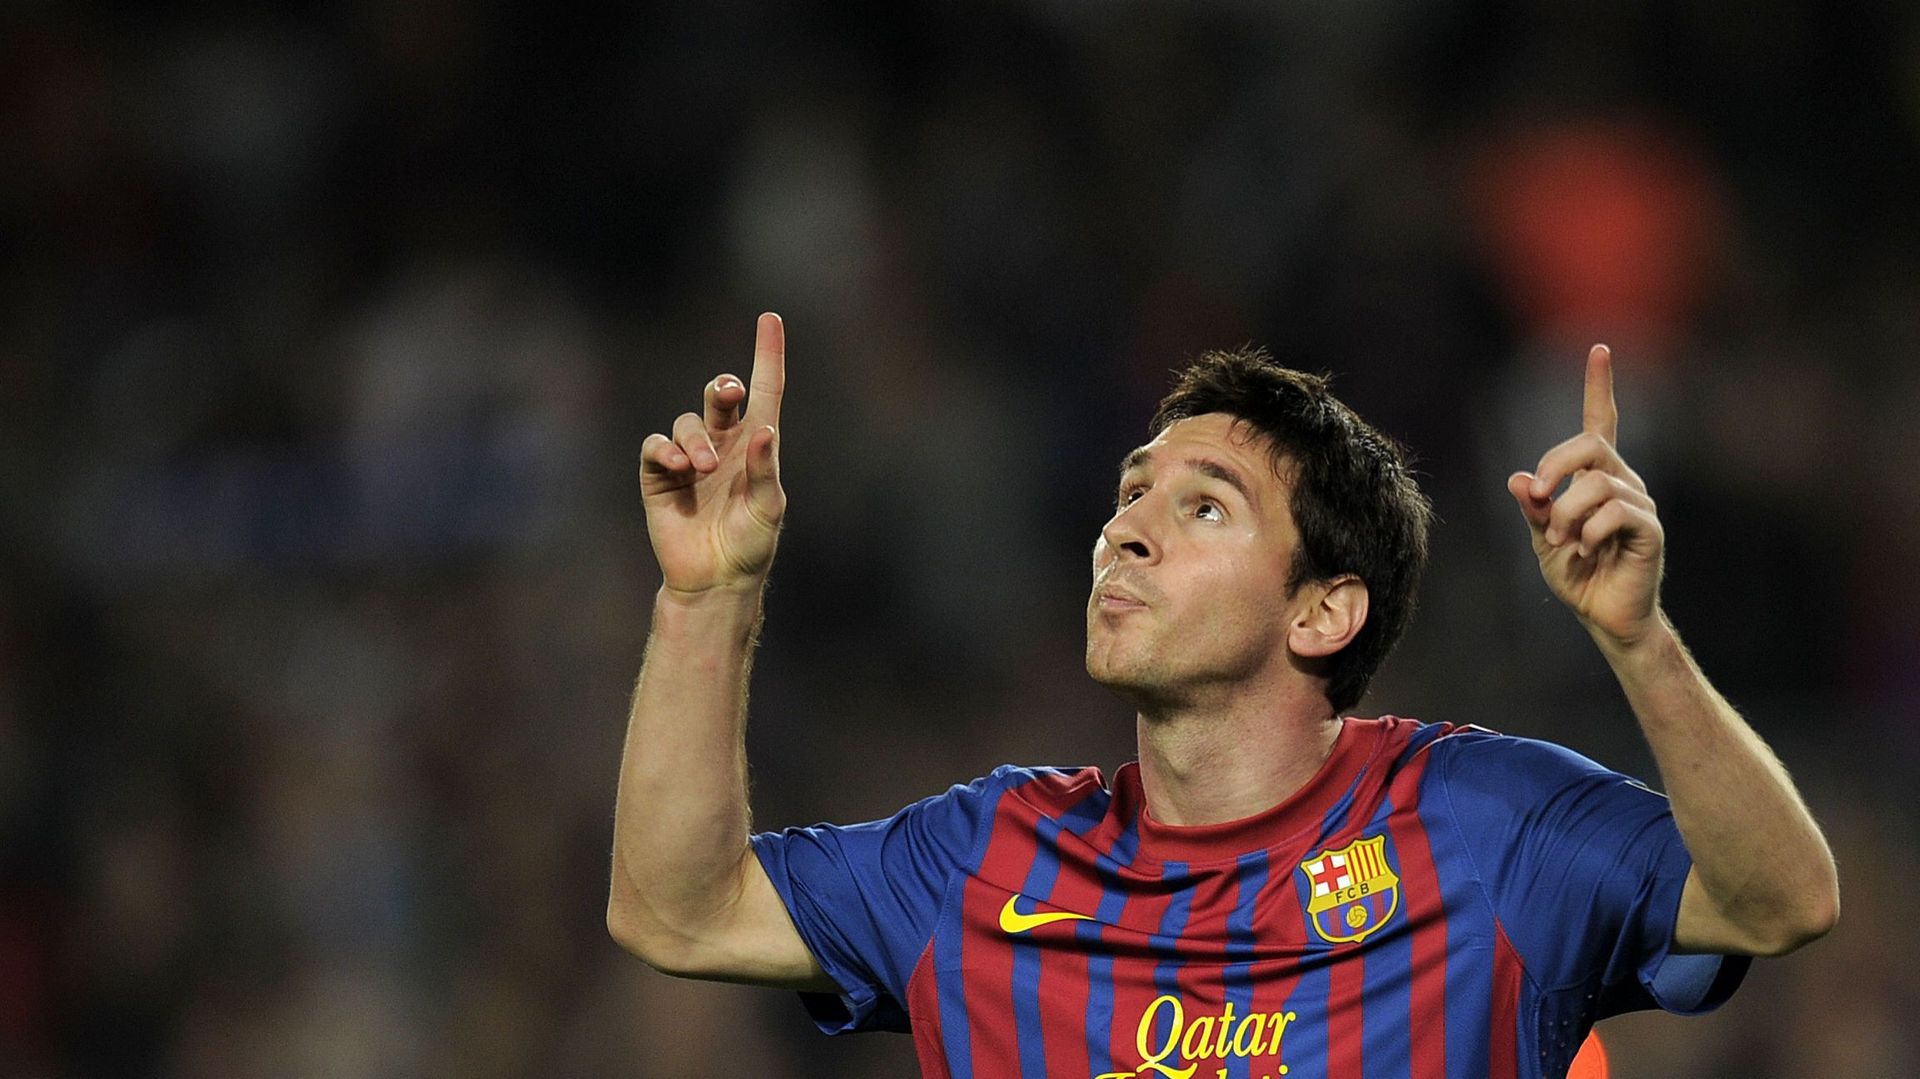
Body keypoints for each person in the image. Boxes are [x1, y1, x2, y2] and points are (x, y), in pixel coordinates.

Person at [607, 313, 1838, 1079]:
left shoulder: (1484, 826)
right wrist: (707, 595)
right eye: (1131, 493)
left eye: (1203, 505)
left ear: (1323, 610)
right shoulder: (986, 856)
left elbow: (1782, 898)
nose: (1127, 530)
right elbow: (679, 912)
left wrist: (1638, 637)